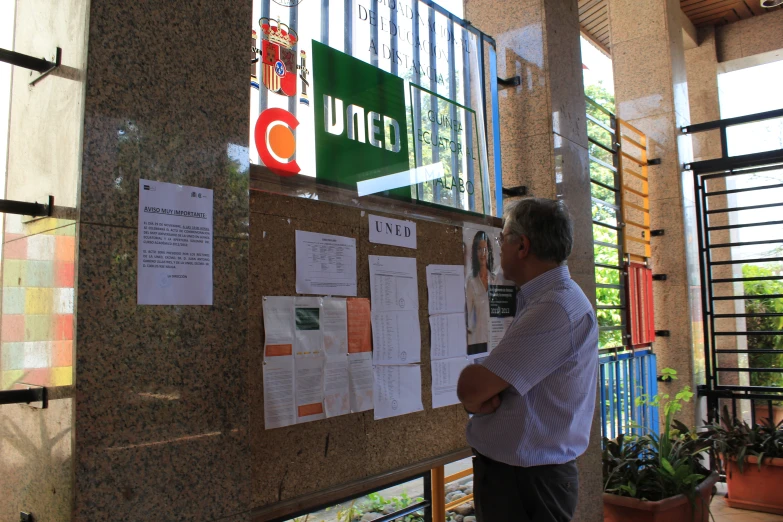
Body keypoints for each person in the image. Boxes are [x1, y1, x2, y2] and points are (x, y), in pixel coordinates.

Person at [457, 198, 598, 522]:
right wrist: (484, 394)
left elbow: (471, 388)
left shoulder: (555, 308)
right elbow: (483, 391)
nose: (496, 249)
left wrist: (481, 394)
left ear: (522, 246)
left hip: (527, 485)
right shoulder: (541, 300)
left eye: (501, 239)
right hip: (522, 479)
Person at [465, 230, 496, 356]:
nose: (482, 253)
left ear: (488, 252)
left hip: (495, 344)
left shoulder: (495, 279)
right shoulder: (470, 281)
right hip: (478, 346)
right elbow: (467, 317)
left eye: (485, 249)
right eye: (479, 249)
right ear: (475, 252)